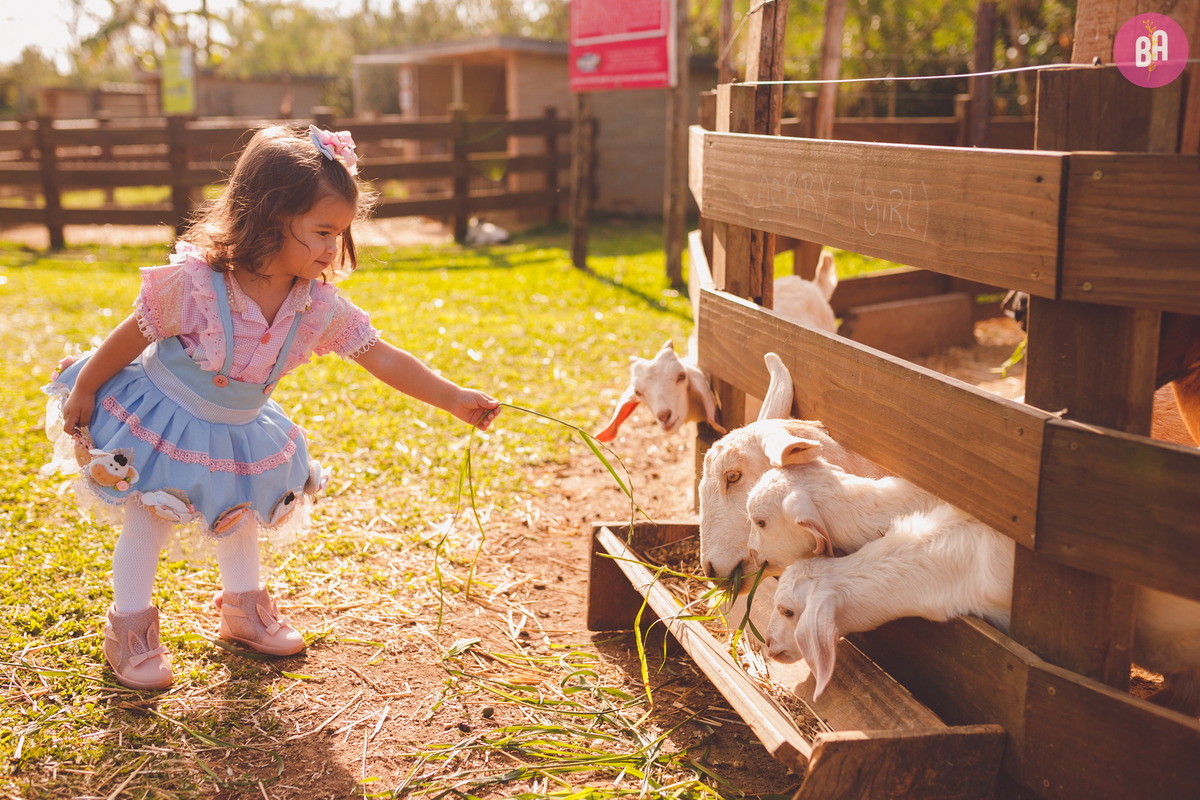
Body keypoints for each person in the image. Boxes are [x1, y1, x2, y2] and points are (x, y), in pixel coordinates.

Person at [42, 125, 500, 690]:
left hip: (236, 428)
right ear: (269, 216)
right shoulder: (198, 284)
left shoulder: (317, 306)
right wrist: (87, 386)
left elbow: (382, 356)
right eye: (322, 231)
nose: (333, 248)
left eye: (341, 233)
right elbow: (133, 333)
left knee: (240, 510)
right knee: (149, 517)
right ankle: (129, 630)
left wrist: (453, 398)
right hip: (163, 418)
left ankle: (243, 611)